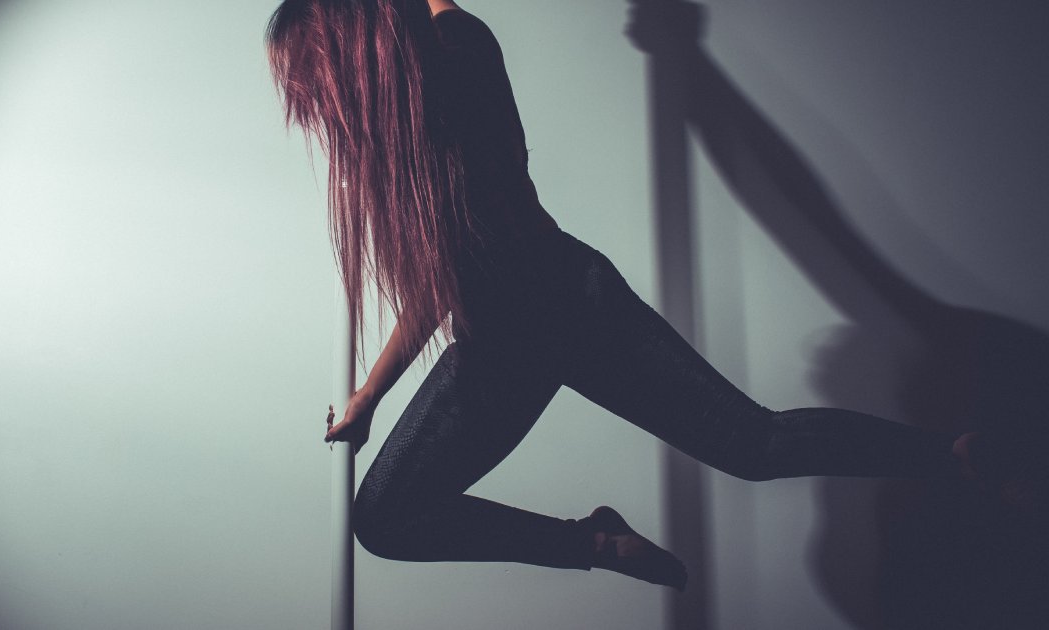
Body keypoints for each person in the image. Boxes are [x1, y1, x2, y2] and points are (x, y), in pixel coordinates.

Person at [265, 0, 979, 590]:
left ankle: (952, 454)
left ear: (349, 47)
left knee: (753, 445)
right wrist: (369, 397)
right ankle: (594, 543)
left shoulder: (458, 52)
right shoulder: (399, 156)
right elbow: (434, 288)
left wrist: (682, 55)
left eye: (309, 79)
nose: (312, 102)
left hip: (573, 306)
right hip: (493, 351)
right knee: (384, 518)